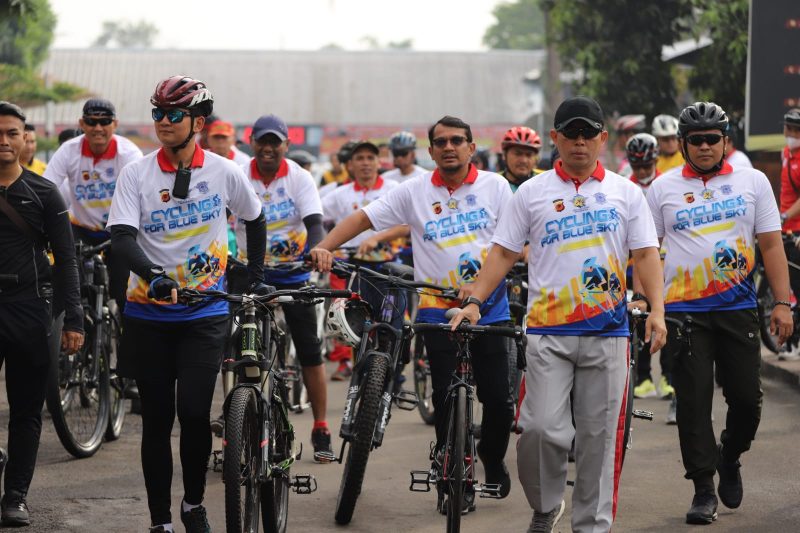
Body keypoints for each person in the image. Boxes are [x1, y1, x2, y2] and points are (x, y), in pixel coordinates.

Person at [448, 96, 667, 533]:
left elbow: (645, 254)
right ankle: (546, 506)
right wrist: (473, 301)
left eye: (589, 133)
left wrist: (656, 310)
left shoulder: (625, 193)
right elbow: (504, 252)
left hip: (609, 334)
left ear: (603, 139)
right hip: (549, 333)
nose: (580, 142)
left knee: (599, 440)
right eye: (572, 133)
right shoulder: (532, 192)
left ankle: (591, 526)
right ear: (556, 138)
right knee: (540, 431)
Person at [311, 115, 517, 508]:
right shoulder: (414, 190)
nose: (449, 147)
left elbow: (513, 241)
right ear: (432, 151)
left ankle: (491, 455)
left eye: (457, 140)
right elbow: (362, 218)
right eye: (441, 142)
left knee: (498, 401)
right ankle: (450, 466)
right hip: (436, 312)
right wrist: (327, 246)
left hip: (490, 310)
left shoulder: (496, 187)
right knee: (444, 395)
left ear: (471, 148)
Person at [106, 76, 267, 533]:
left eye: (173, 115)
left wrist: (254, 280)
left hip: (205, 312)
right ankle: (160, 521)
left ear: (197, 122)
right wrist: (153, 278)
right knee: (156, 420)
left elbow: (255, 220)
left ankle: (193, 505)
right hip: (148, 314)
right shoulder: (136, 173)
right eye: (157, 113)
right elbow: (121, 238)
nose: (163, 122)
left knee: (194, 413)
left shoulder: (224, 171)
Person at [646, 101, 792, 525]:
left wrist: (782, 303)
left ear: (726, 141)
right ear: (685, 144)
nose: (705, 146)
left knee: (746, 401)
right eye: (696, 140)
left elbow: (770, 245)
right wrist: (648, 302)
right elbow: (646, 251)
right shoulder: (663, 188)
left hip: (739, 307)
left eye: (713, 139)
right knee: (692, 405)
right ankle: (703, 488)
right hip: (683, 313)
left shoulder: (754, 181)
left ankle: (730, 455)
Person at [233, 113, 336, 462]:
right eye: (262, 141)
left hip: (293, 272)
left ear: (286, 146)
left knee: (310, 349)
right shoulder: (237, 175)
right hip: (248, 273)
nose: (268, 148)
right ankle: (232, 416)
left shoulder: (299, 177)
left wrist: (318, 250)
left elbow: (315, 224)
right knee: (229, 347)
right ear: (252, 143)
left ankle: (321, 426)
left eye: (275, 142)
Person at [0, 101, 83, 527]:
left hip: (29, 309)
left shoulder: (44, 193)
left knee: (26, 409)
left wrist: (74, 320)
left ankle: (15, 496)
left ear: (24, 139)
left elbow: (66, 259)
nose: (4, 141)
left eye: (12, 133)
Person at [43, 98, 144, 313]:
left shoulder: (129, 154)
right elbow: (46, 189)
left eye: (105, 122)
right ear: (82, 123)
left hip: (118, 230)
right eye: (91, 122)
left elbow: (143, 197)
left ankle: (124, 334)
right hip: (81, 228)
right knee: (70, 285)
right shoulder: (69, 150)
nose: (98, 128)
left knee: (122, 290)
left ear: (115, 124)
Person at [321, 140, 404, 379]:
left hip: (387, 267)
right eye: (360, 158)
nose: (366, 163)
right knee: (349, 321)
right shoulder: (338, 195)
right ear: (350, 164)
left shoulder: (393, 188)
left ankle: (395, 372)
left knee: (391, 324)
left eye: (370, 158)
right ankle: (352, 367)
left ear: (379, 162)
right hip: (351, 268)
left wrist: (379, 238)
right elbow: (317, 221)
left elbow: (407, 225)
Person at [779, 108, 800, 360]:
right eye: (789, 129)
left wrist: (785, 216)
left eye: (797, 131)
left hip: (796, 229)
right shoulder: (786, 153)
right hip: (785, 228)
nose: (792, 134)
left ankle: (794, 341)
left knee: (796, 286)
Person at [500, 126, 543, 192]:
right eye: (517, 154)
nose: (523, 160)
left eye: (529, 155)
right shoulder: (493, 183)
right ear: (504, 155)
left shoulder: (546, 180)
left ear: (536, 158)